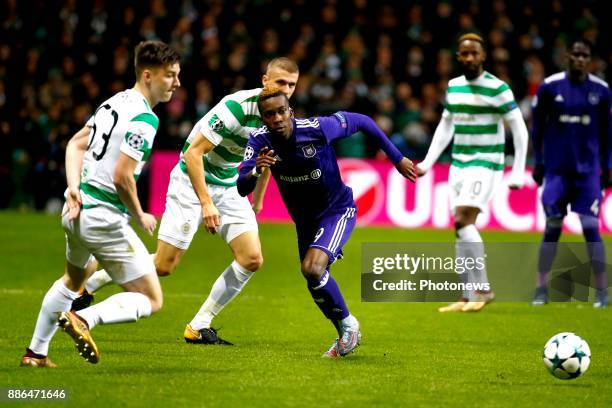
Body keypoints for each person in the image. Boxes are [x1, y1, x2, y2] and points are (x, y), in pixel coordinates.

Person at [80, 58, 300, 345]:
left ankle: (199, 326)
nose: (286, 88)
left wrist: (257, 201)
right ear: (264, 80)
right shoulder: (235, 108)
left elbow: (267, 157)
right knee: (164, 266)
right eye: (280, 82)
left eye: (291, 84)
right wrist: (206, 203)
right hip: (191, 180)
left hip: (229, 184)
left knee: (252, 259)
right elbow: (193, 154)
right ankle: (94, 280)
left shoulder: (282, 114)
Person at [20, 40, 181, 367]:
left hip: (75, 211)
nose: (176, 83)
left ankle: (35, 353)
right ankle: (84, 319)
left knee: (72, 280)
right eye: (170, 76)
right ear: (148, 75)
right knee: (151, 298)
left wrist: (73, 187)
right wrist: (140, 215)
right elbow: (123, 176)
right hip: (104, 218)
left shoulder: (114, 102)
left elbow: (75, 144)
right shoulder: (145, 119)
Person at [237, 87, 416, 357]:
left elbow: (363, 121)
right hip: (304, 220)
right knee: (313, 278)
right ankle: (344, 330)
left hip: (336, 210)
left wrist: (397, 158)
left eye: (281, 111)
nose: (276, 119)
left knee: (312, 268)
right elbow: (241, 187)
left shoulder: (318, 128)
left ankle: (349, 325)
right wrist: (256, 170)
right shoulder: (258, 142)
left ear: (291, 112)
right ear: (263, 119)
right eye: (269, 114)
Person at [416, 33, 528, 312]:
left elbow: (519, 128)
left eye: (473, 54)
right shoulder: (454, 87)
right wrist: (429, 162)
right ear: (458, 57)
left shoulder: (498, 88)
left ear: (483, 56)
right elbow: (446, 126)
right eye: (464, 54)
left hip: (486, 162)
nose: (469, 58)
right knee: (459, 227)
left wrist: (518, 170)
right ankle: (467, 295)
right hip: (459, 164)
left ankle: (483, 289)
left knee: (464, 219)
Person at [531, 38, 611, 307]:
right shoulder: (550, 87)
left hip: (587, 173)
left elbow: (607, 133)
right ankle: (540, 289)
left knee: (590, 227)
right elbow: (537, 128)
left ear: (590, 60)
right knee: (553, 226)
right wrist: (538, 162)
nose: (579, 59)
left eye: (584, 55)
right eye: (575, 54)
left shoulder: (602, 91)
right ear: (567, 56)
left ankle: (602, 292)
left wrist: (607, 166)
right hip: (556, 172)